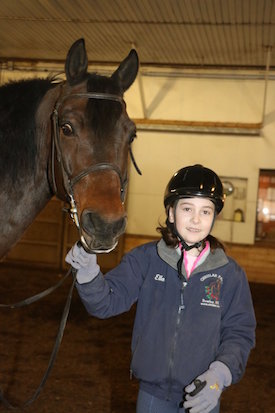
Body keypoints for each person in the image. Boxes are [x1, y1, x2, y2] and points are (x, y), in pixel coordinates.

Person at [66, 164, 256, 413]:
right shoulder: (145, 259)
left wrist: (221, 374)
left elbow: (239, 332)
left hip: (203, 393)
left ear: (214, 217)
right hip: (153, 395)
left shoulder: (230, 274)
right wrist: (89, 274)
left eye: (206, 211)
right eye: (187, 208)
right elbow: (105, 303)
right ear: (171, 212)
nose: (196, 219)